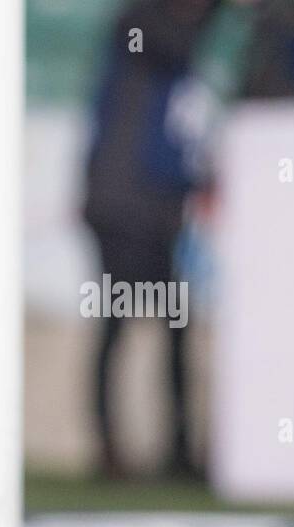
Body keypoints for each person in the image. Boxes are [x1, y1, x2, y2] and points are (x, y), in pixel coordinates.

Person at [82, 0, 223, 480]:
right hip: (122, 205)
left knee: (174, 327)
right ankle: (109, 449)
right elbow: (174, 47)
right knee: (118, 324)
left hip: (159, 206)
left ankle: (179, 449)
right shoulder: (139, 23)